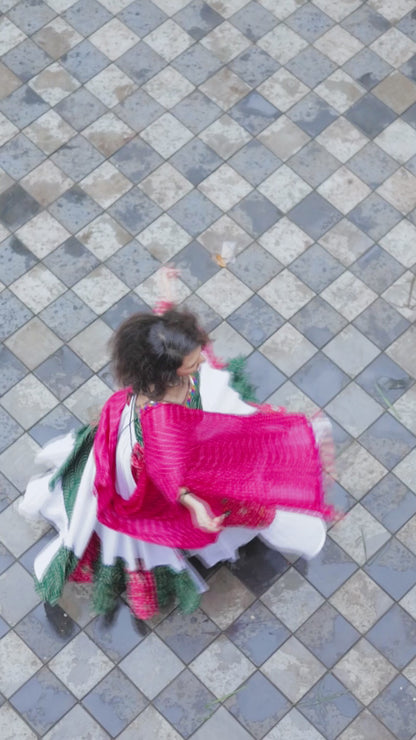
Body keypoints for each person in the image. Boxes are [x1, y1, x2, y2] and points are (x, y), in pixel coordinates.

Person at [21, 309, 333, 620]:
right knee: (235, 490)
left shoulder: (161, 366)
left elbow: (165, 337)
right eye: (194, 361)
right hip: (157, 463)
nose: (201, 362)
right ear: (169, 372)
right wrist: (195, 506)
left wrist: (166, 292)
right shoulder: (163, 423)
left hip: (157, 442)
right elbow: (166, 473)